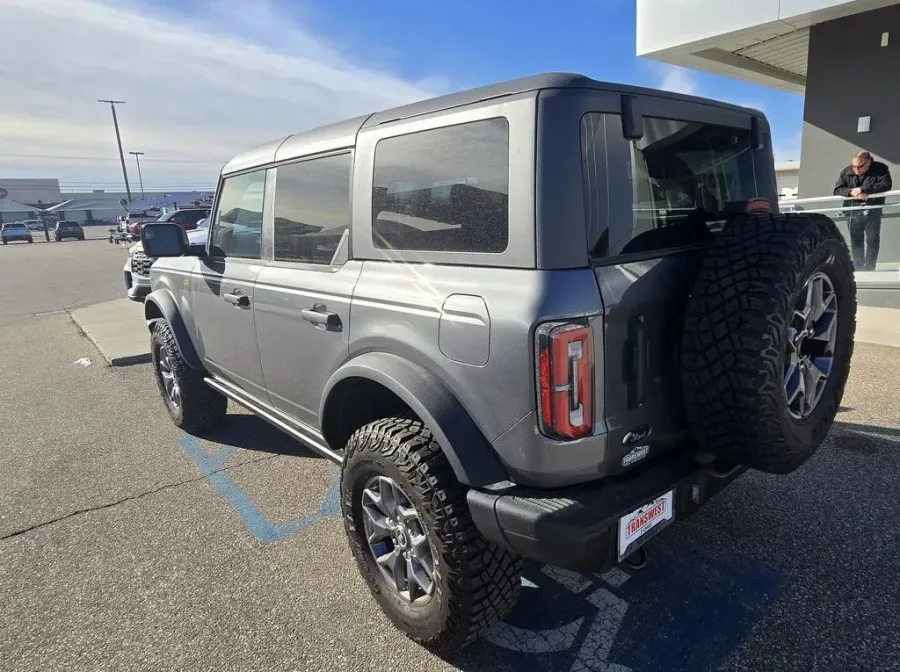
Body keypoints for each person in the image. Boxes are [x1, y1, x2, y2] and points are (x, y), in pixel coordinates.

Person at [833, 151, 892, 271]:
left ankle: (870, 269)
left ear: (868, 162)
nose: (856, 169)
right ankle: (859, 269)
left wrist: (864, 189)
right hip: (852, 211)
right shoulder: (846, 171)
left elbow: (886, 185)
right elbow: (837, 190)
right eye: (854, 166)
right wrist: (851, 192)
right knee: (856, 241)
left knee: (872, 240)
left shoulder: (881, 169)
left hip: (872, 210)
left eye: (860, 166)